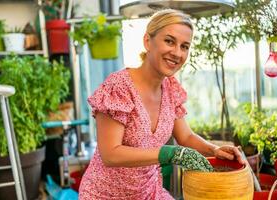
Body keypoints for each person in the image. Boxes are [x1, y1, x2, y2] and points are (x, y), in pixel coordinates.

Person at [79, 9, 244, 200]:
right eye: (169, 41)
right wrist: (169, 153)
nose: (177, 53)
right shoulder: (119, 88)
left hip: (149, 193)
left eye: (184, 46)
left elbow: (186, 136)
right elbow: (110, 154)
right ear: (147, 41)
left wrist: (214, 149)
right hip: (104, 195)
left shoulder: (171, 89)